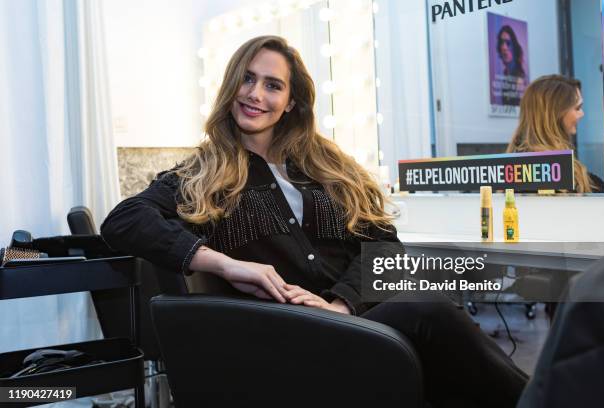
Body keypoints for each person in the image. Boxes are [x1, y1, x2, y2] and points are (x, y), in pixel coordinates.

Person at [101, 35, 527, 407]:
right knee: (430, 312)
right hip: (282, 337)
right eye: (247, 79)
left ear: (291, 102)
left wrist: (340, 303)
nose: (255, 94)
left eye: (273, 85)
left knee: (442, 345)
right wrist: (222, 262)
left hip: (349, 322)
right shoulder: (203, 173)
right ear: (230, 87)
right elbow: (124, 220)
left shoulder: (327, 168)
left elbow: (385, 251)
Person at [506, 74, 604, 193]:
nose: (582, 114)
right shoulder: (547, 171)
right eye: (578, 108)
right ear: (555, 114)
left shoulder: (515, 168)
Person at [496, 25, 527, 106]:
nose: (504, 47)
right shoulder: (506, 75)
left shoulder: (519, 79)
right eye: (501, 43)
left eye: (508, 43)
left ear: (514, 46)